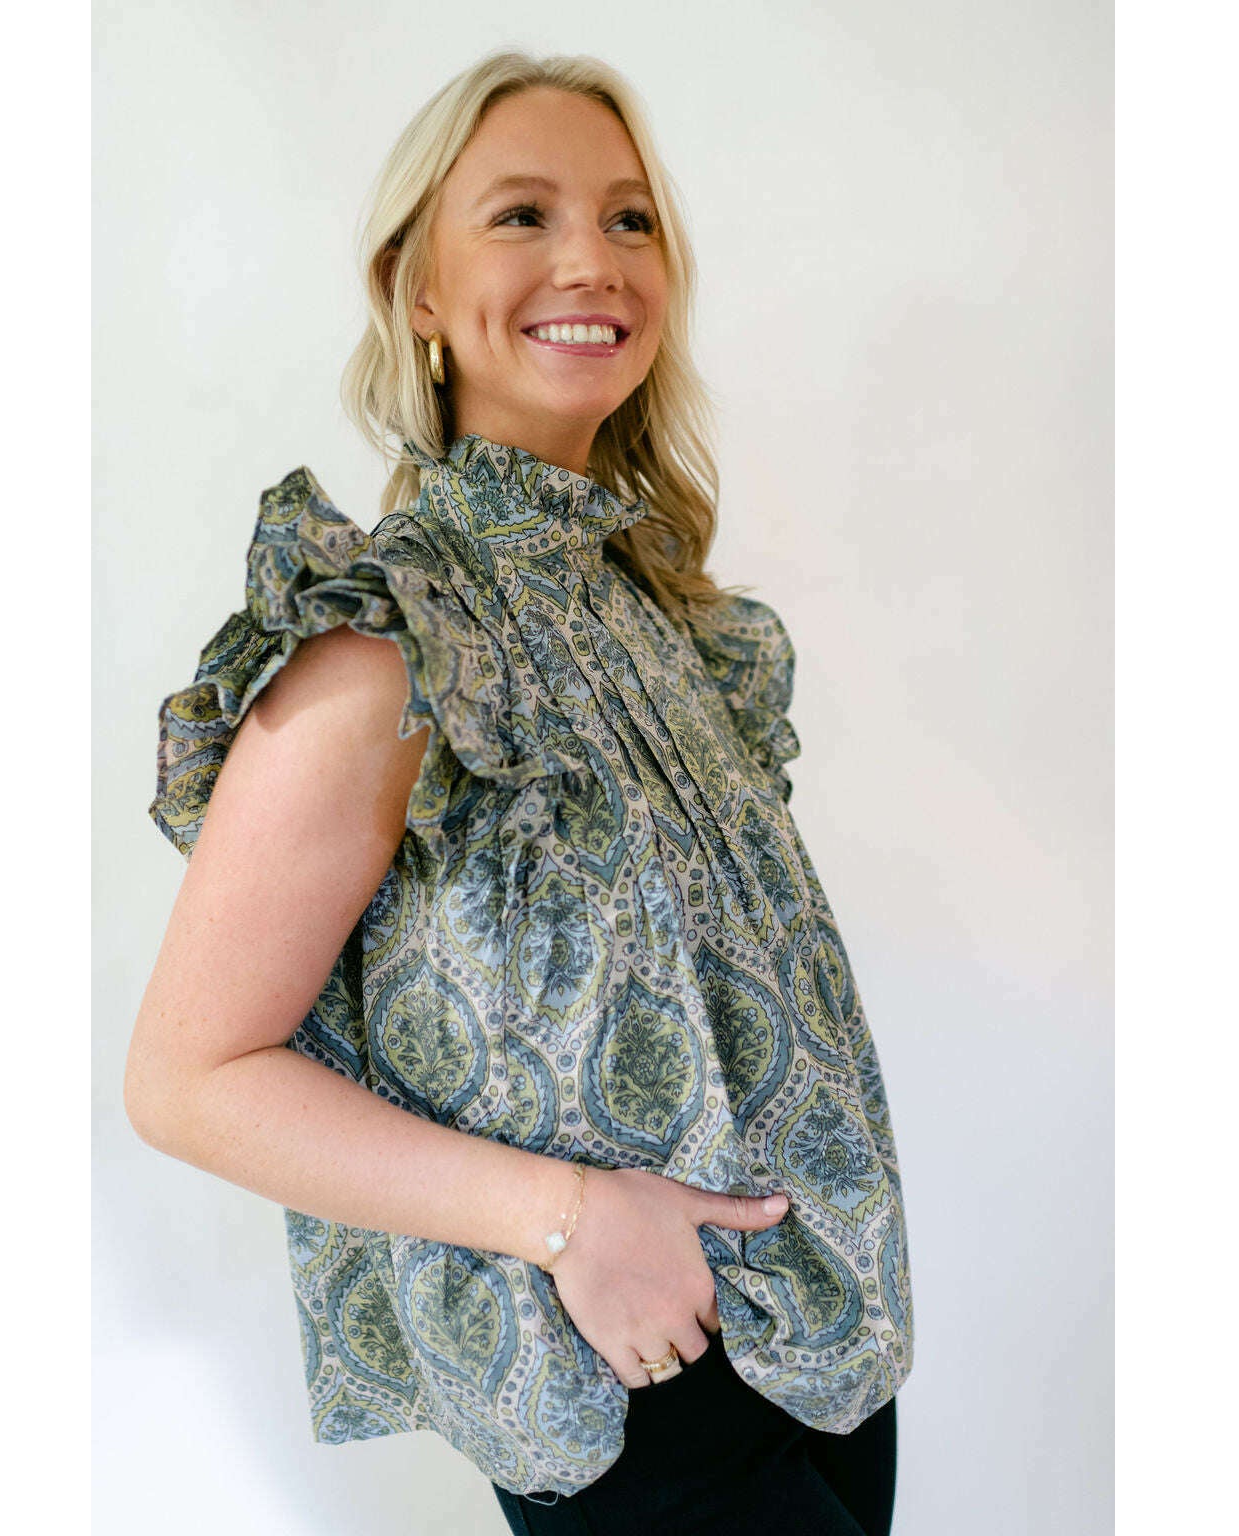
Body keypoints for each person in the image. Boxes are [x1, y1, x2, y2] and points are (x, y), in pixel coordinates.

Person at [126, 47, 914, 1536]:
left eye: (630, 219)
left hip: (818, 1336)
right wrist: (573, 1221)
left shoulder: (665, 616)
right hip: (625, 1372)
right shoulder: (387, 642)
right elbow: (188, 1080)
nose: (591, 260)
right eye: (520, 214)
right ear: (415, 287)